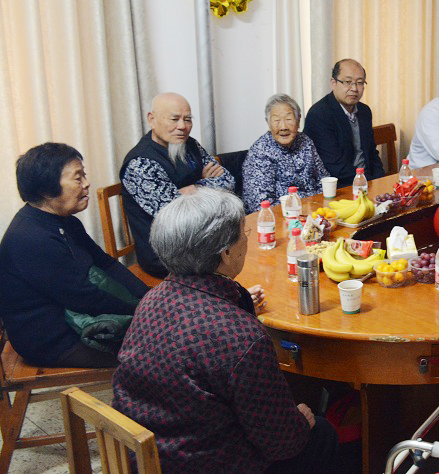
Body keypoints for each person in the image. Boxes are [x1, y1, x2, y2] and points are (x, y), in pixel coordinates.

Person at [112, 188, 340, 473]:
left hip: (146, 454)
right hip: (201, 464)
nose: (246, 239)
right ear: (226, 252)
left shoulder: (152, 299)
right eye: (243, 232)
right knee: (321, 434)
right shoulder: (241, 336)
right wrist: (299, 422)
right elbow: (282, 444)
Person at [0, 143, 149, 367]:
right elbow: (84, 296)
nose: (87, 183)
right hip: (53, 340)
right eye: (78, 178)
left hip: (78, 317)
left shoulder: (65, 221)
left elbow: (107, 265)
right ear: (46, 189)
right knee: (157, 347)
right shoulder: (30, 238)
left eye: (84, 175)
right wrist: (145, 311)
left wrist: (148, 297)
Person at [121, 93, 234, 278]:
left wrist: (193, 188)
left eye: (187, 119)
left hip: (201, 236)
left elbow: (228, 181)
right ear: (152, 119)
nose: (182, 126)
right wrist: (205, 186)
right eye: (174, 119)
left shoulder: (190, 145)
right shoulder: (140, 163)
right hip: (167, 253)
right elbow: (175, 214)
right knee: (234, 258)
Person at [303, 59, 385, 187]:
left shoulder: (364, 111)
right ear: (333, 83)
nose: (354, 88)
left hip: (366, 181)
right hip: (338, 187)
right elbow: (335, 166)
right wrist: (367, 184)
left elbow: (371, 153)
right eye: (347, 82)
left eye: (359, 83)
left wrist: (380, 181)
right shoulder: (319, 114)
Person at [243, 94, 330, 213]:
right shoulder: (260, 152)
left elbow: (323, 180)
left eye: (289, 120)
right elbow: (261, 206)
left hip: (314, 211)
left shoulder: (305, 142)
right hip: (282, 217)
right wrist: (305, 207)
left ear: (298, 120)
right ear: (268, 123)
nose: (283, 127)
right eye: (277, 121)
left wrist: (318, 205)